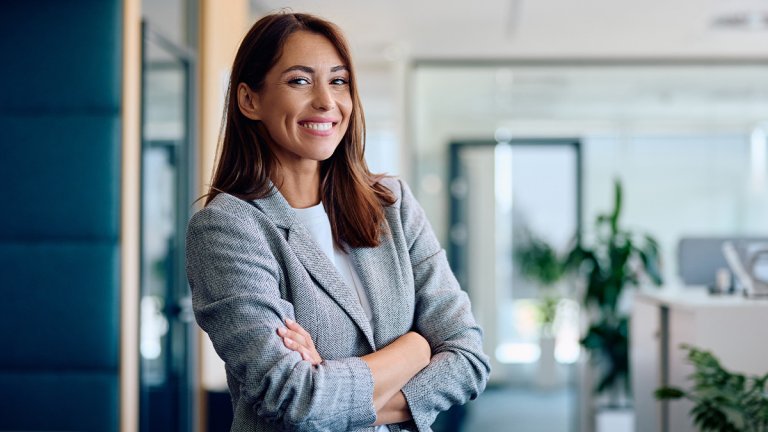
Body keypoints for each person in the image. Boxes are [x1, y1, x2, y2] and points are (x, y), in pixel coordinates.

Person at [185, 12, 490, 432]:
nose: (327, 101)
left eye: (339, 81)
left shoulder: (392, 205)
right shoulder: (227, 229)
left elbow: (468, 357)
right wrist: (416, 349)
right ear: (249, 100)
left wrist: (329, 386)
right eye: (299, 80)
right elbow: (295, 398)